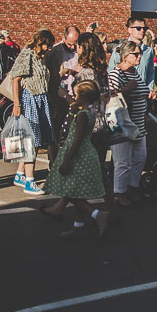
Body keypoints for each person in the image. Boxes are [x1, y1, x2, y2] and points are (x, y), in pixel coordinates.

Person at [42, 31, 117, 221]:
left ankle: (94, 217)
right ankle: (76, 216)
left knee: (77, 170)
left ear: (85, 49)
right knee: (94, 170)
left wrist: (64, 96)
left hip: (87, 125)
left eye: (79, 46)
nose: (77, 49)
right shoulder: (101, 71)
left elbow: (81, 101)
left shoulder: (86, 73)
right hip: (101, 123)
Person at [43, 80, 109, 238]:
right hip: (83, 153)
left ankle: (97, 214)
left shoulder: (83, 116)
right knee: (77, 191)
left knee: (69, 191)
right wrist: (72, 110)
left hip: (79, 155)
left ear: (84, 97)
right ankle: (78, 226)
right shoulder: (86, 112)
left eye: (76, 94)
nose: (73, 96)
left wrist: (66, 160)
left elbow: (76, 139)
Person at [8, 29, 57, 195]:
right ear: (40, 42)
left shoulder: (39, 57)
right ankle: (30, 181)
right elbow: (15, 78)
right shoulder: (27, 54)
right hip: (30, 99)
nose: (49, 48)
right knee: (31, 140)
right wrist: (17, 103)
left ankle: (21, 174)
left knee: (36, 140)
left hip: (40, 99)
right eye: (47, 45)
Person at [108, 40, 150, 208]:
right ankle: (119, 192)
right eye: (136, 54)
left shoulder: (135, 72)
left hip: (139, 123)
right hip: (123, 124)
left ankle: (133, 186)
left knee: (140, 158)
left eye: (140, 53)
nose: (139, 56)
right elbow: (111, 96)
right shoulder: (116, 74)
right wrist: (127, 89)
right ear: (125, 56)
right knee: (123, 162)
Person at [46, 26, 80, 160]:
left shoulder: (78, 50)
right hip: (59, 96)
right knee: (56, 130)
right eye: (69, 44)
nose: (72, 47)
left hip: (74, 94)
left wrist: (70, 71)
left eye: (75, 44)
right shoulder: (55, 52)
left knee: (72, 131)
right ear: (63, 39)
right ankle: (53, 162)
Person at [108, 16, 156, 99]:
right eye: (138, 28)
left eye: (144, 28)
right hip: (124, 95)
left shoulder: (148, 51)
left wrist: (150, 88)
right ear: (129, 30)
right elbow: (111, 71)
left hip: (142, 95)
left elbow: (150, 72)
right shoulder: (119, 49)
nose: (142, 31)